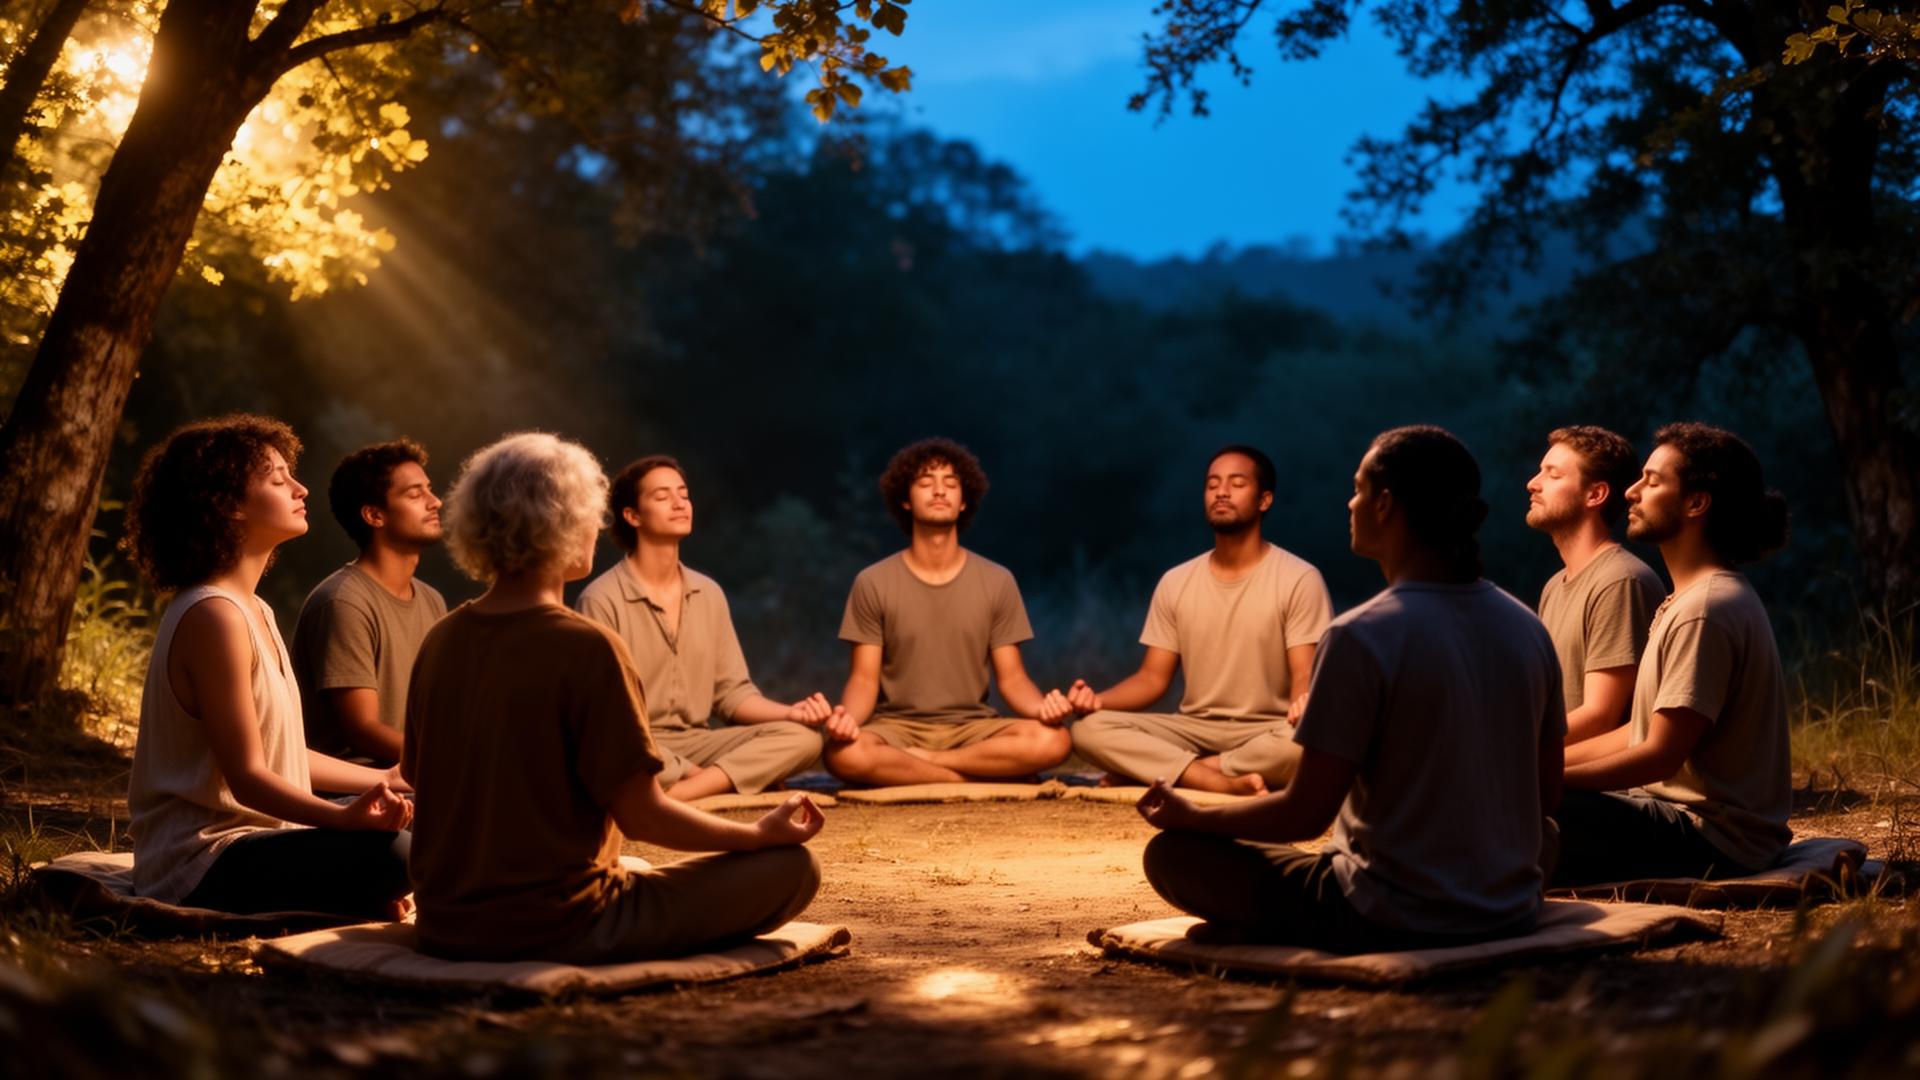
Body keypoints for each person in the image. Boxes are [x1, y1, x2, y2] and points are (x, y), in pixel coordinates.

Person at [1137, 426, 1564, 951]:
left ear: (1384, 504)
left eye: (1359, 489)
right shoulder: (1527, 628)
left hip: (1387, 913)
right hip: (1509, 905)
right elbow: (1546, 794)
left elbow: (1305, 813)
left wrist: (1197, 815)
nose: (1350, 501)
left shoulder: (1360, 635)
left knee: (1173, 855)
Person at [403, 432, 822, 962]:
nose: (596, 529)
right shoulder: (586, 645)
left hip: (446, 923)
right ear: (567, 523)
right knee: (792, 869)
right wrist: (758, 835)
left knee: (642, 868)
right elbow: (644, 817)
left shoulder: (441, 638)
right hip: (563, 923)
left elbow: (417, 774)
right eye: (591, 515)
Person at [124, 415, 413, 920]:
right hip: (201, 862)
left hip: (259, 842)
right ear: (229, 506)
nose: (300, 488)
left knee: (427, 825)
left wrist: (389, 777)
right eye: (279, 480)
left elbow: (282, 754)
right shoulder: (213, 614)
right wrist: (344, 818)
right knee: (399, 852)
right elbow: (250, 778)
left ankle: (352, 893)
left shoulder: (255, 610)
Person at [1553, 423, 1792, 885]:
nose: (1632, 492)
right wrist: (1539, 766)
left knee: (1514, 812)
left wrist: (1543, 784)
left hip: (1714, 840)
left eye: (1653, 481)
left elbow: (1660, 755)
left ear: (1696, 503)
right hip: (1678, 820)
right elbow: (1636, 734)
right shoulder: (1688, 600)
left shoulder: (1706, 609)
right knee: (1512, 802)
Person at [1067, 445, 1332, 794]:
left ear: (1264, 500)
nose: (1221, 492)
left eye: (1237, 483)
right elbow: (1151, 678)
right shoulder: (1177, 581)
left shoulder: (1299, 577)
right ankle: (1212, 779)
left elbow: (1304, 672)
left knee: (1306, 741)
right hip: (1192, 729)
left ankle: (1182, 773)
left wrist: (1305, 702)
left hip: (1267, 731)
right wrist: (1097, 702)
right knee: (1088, 729)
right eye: (1212, 484)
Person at [822, 437, 1073, 786]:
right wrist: (846, 719)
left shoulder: (997, 580)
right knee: (842, 753)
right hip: (897, 729)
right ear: (906, 500)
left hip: (974, 728)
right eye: (926, 483)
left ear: (963, 500)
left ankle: (923, 767)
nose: (939, 491)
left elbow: (1013, 679)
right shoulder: (873, 582)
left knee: (1055, 739)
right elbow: (864, 679)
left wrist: (1043, 708)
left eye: (950, 484)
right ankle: (966, 779)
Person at [577, 455, 828, 801]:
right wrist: (685, 766)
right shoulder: (601, 600)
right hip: (638, 746)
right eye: (663, 497)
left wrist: (792, 713)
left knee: (804, 738)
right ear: (633, 516)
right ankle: (709, 784)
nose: (680, 503)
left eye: (683, 493)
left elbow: (732, 695)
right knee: (612, 752)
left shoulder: (707, 593)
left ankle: (680, 795)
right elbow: (605, 719)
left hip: (700, 742)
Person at [292, 439, 448, 766]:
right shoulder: (344, 601)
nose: (435, 502)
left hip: (414, 783)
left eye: (429, 489)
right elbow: (362, 730)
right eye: (415, 494)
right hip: (350, 798)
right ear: (374, 515)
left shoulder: (432, 601)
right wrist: (451, 762)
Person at [1524, 426, 1665, 746]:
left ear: (1595, 495)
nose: (1533, 484)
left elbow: (1601, 716)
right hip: (1557, 773)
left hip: (1605, 789)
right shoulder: (1554, 587)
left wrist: (1510, 749)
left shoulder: (1620, 581)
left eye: (1553, 475)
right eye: (1539, 472)